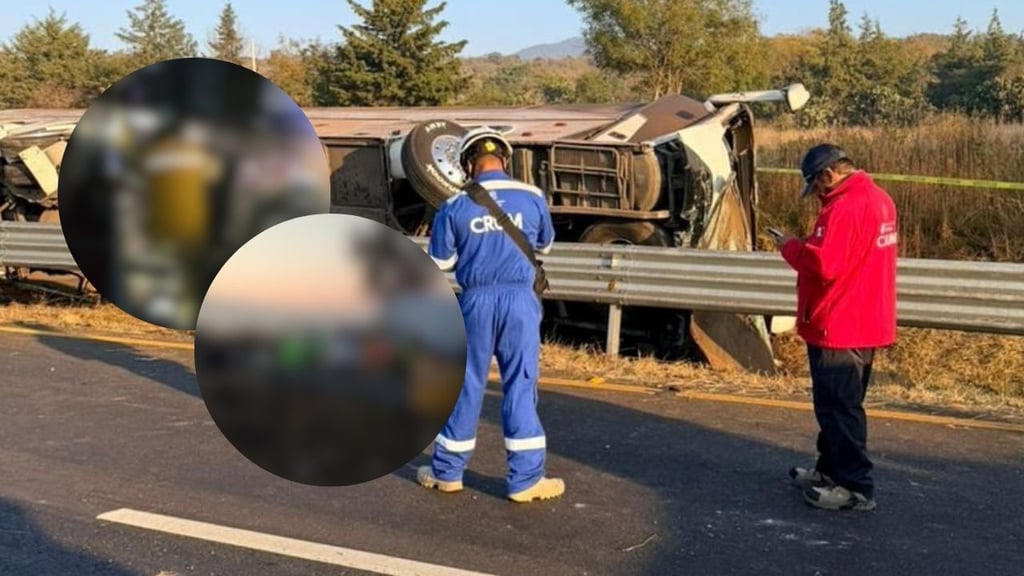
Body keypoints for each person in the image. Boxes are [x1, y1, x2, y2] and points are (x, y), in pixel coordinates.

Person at [417, 127, 564, 503]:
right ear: (504, 159)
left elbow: (441, 262)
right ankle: (526, 480)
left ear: (468, 164)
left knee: (465, 384)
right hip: (519, 303)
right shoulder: (531, 196)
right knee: (520, 383)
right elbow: (545, 243)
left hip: (474, 302)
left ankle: (447, 473)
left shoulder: (453, 206)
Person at [773, 143, 898, 512]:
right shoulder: (879, 199)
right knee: (839, 404)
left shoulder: (843, 207)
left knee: (839, 407)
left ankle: (855, 486)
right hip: (864, 317)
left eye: (816, 187)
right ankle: (829, 469)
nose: (816, 196)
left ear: (828, 175)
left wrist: (791, 247)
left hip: (840, 321)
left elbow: (824, 265)